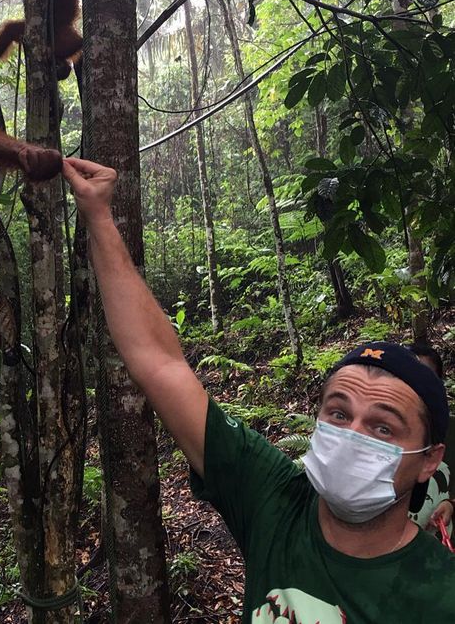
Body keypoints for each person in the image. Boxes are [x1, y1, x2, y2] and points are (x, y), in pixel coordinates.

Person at [62, 156, 455, 623]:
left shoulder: (440, 595)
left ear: (430, 459)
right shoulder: (274, 500)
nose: (352, 435)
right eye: (337, 413)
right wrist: (100, 217)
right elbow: (159, 362)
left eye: (384, 427)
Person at [408, 342, 455, 537]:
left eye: (425, 379)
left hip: (442, 553)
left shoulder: (451, 431)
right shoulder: (380, 434)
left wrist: (451, 504)